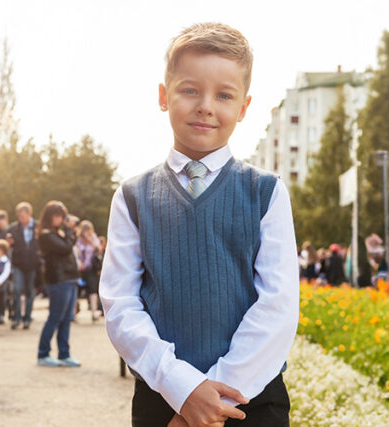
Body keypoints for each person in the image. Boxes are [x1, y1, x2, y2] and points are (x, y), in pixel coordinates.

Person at [100, 23, 298, 426]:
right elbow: (120, 305)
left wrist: (214, 398)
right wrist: (183, 389)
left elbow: (278, 306)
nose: (206, 105)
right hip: (163, 398)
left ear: (243, 107)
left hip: (252, 400)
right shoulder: (133, 197)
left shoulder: (266, 192)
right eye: (190, 90)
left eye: (224, 95)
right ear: (163, 96)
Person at [36, 200, 82, 368]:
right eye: (58, 216)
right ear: (50, 217)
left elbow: (68, 246)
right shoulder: (46, 235)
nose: (62, 219)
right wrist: (70, 231)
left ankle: (64, 354)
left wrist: (70, 231)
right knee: (55, 317)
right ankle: (43, 354)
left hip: (69, 278)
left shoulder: (59, 233)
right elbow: (65, 248)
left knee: (66, 318)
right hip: (58, 279)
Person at [5, 202, 39, 330]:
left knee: (30, 291)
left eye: (23, 216)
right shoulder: (13, 228)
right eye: (19, 216)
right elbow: (8, 244)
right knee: (17, 290)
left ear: (29, 214)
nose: (20, 218)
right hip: (18, 263)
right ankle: (16, 317)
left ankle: (27, 318)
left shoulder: (38, 227)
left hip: (33, 264)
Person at [75, 220, 102, 322]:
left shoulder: (93, 237)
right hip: (80, 268)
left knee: (93, 289)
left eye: (89, 230)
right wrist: (79, 262)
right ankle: (74, 313)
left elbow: (98, 249)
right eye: (85, 230)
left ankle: (94, 312)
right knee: (77, 290)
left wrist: (90, 241)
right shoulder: (78, 239)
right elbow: (75, 251)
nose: (87, 232)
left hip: (91, 268)